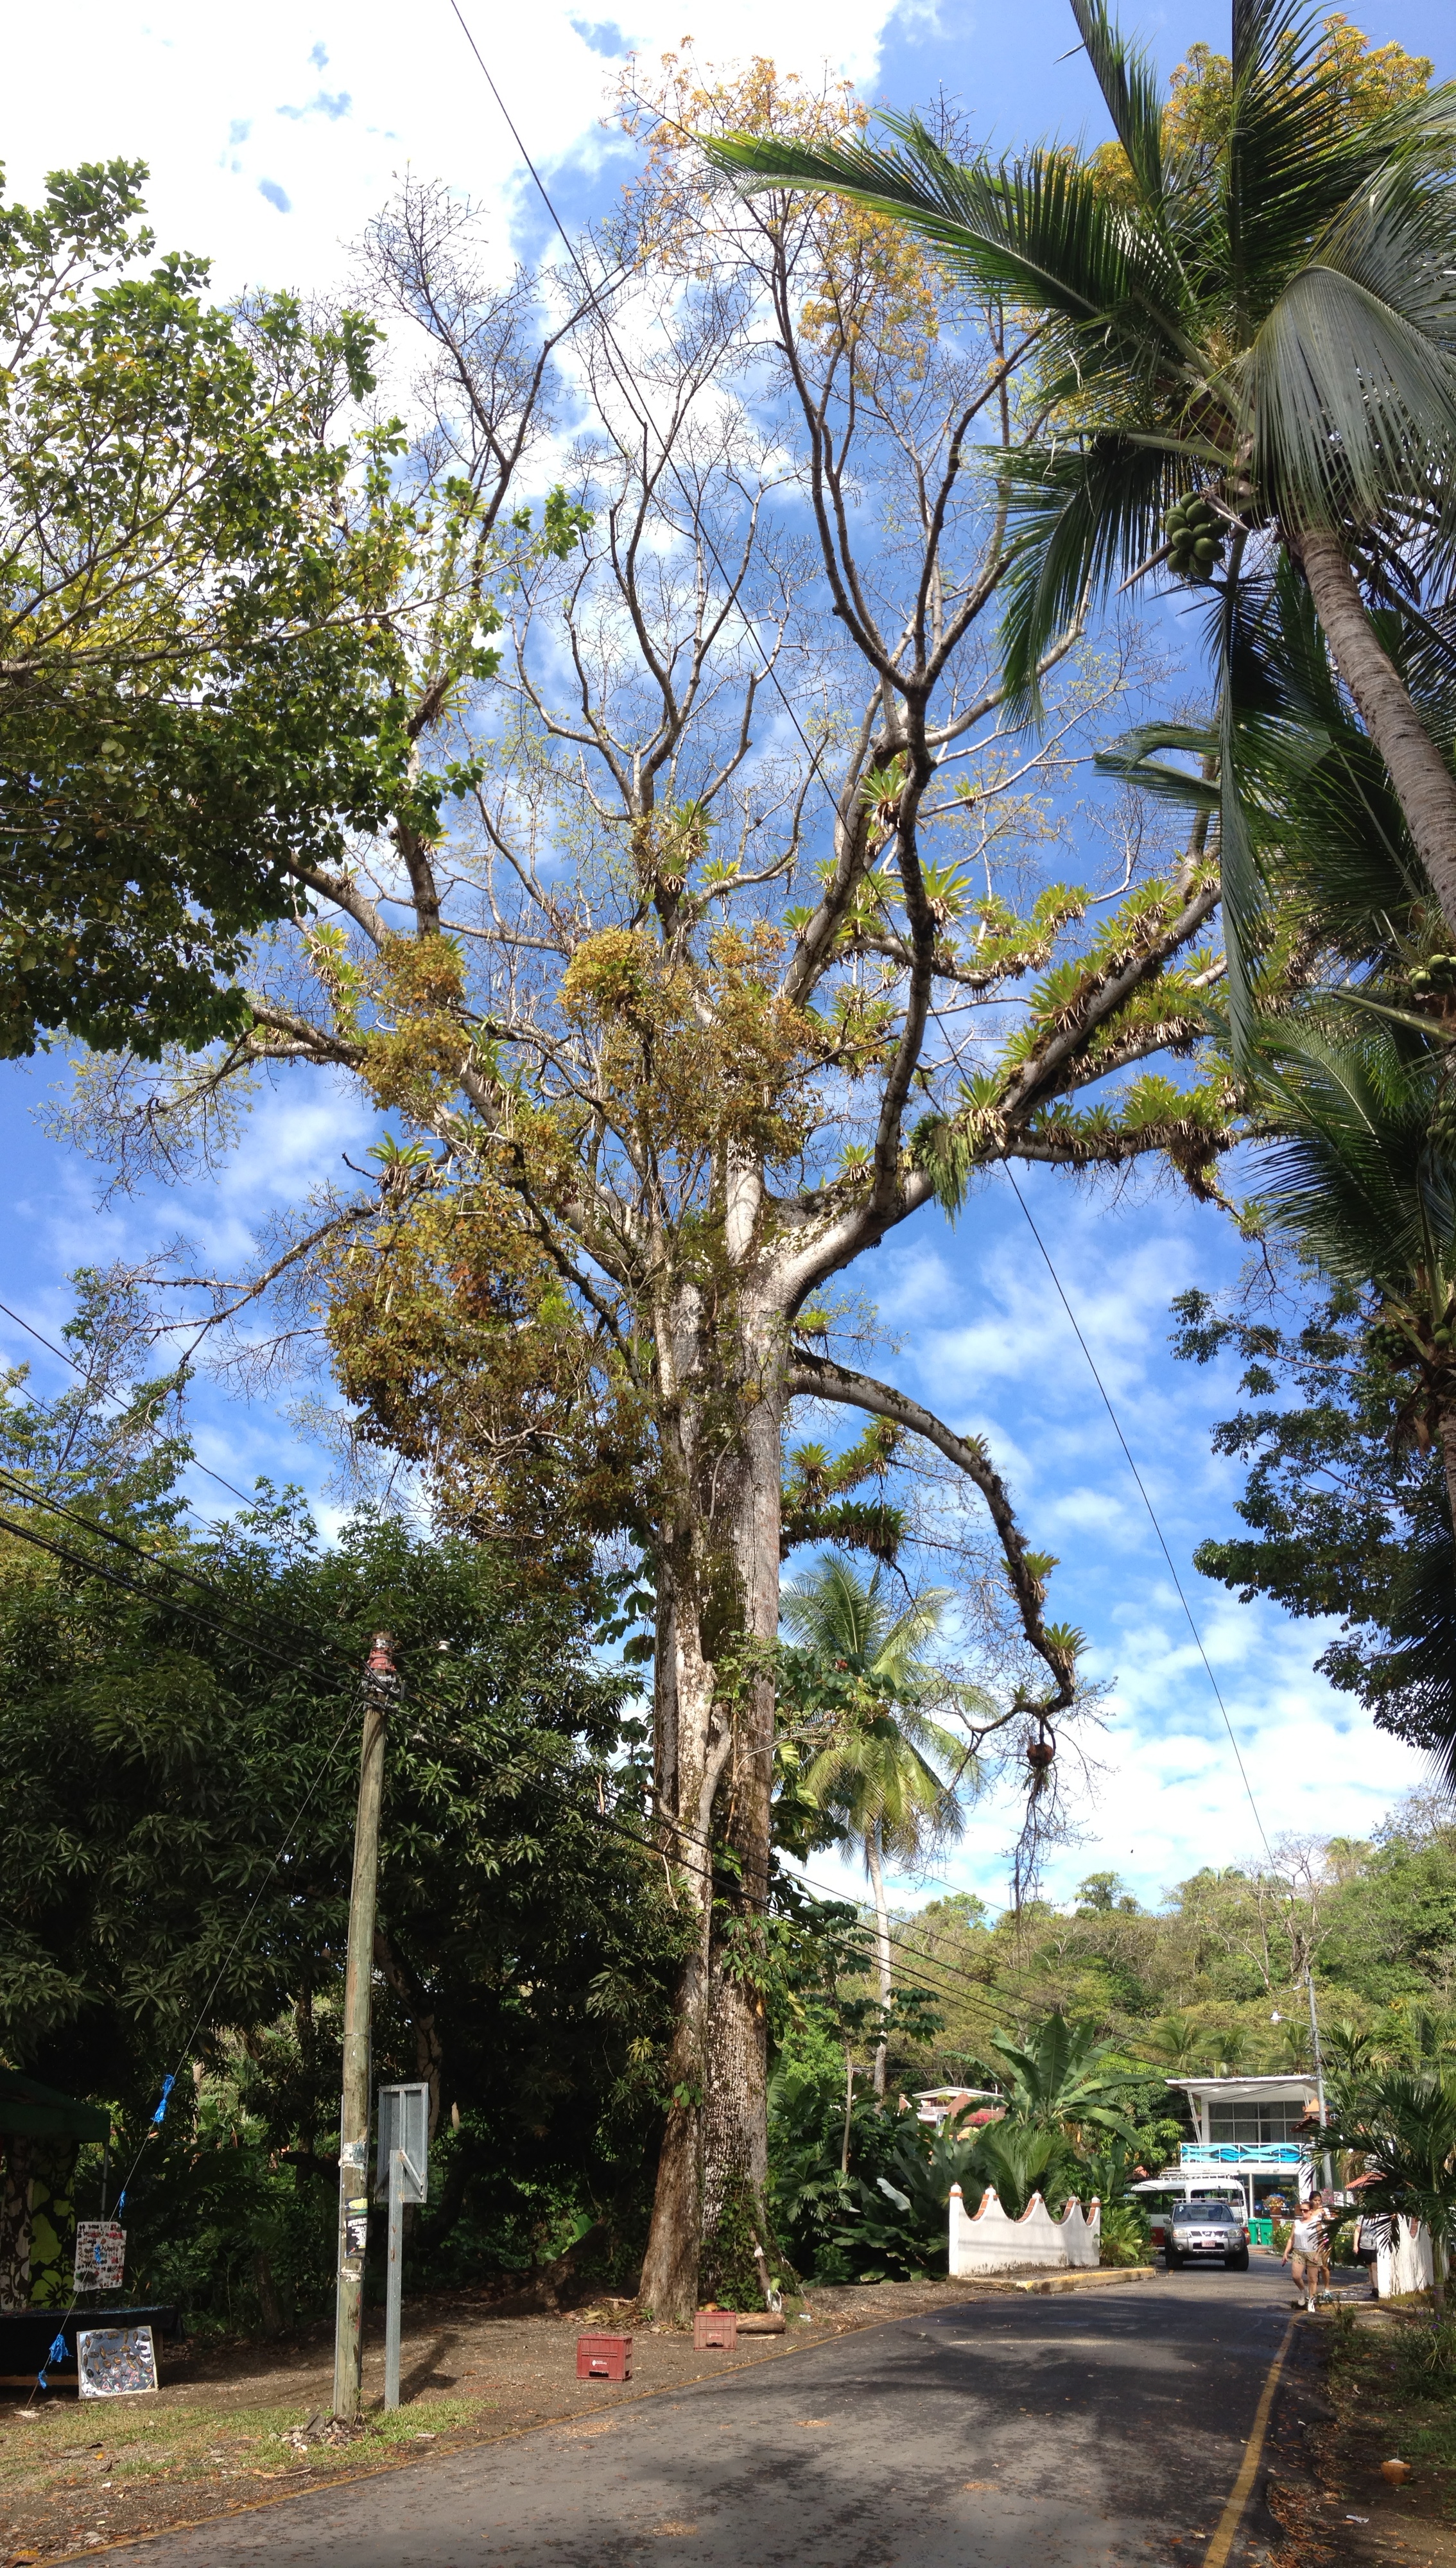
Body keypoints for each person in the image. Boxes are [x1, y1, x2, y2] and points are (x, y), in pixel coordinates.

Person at [1281, 2199, 1327, 2312]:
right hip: (1299, 2252)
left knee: (1312, 2279)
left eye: (1305, 2210)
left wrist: (1317, 2254)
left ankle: (1311, 2300)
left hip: (1312, 2252)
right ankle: (1303, 2292)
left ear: (1311, 2211)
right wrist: (1286, 2253)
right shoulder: (1297, 2223)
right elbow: (1291, 2239)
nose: (1303, 2213)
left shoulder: (1316, 2223)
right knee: (1296, 2276)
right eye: (1301, 2210)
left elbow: (1322, 2241)